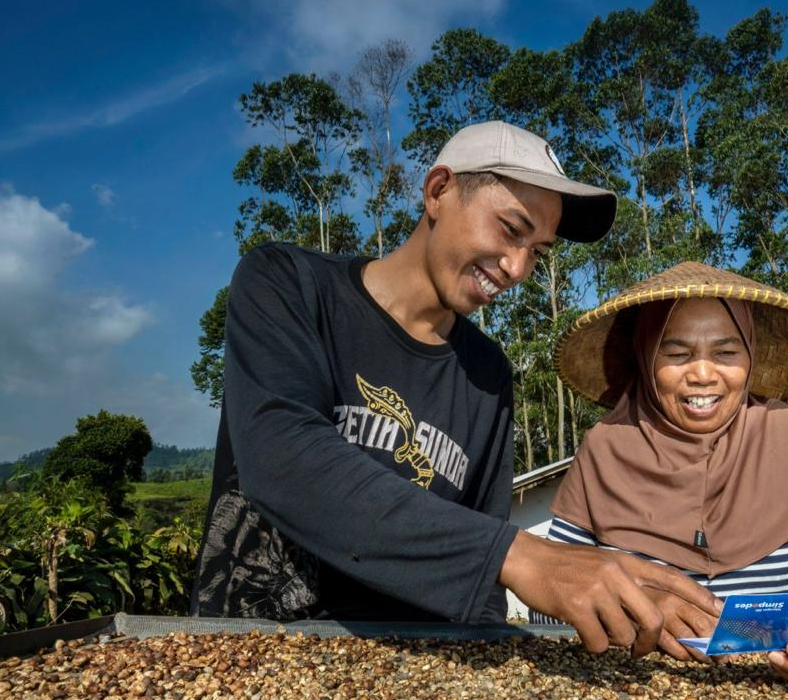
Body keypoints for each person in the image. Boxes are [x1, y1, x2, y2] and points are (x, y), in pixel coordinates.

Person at [191, 121, 721, 657]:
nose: (516, 269)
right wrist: (520, 556)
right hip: (251, 650)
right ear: (438, 190)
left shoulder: (488, 376)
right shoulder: (289, 284)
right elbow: (282, 457)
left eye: (537, 251)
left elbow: (479, 564)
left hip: (402, 665)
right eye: (511, 229)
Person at [532, 262, 788, 685]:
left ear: (749, 357)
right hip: (630, 683)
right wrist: (627, 605)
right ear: (645, 356)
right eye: (676, 353)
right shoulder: (604, 447)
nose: (702, 373)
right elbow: (550, 591)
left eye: (726, 352)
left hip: (776, 682)